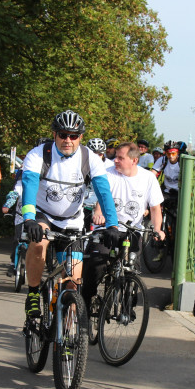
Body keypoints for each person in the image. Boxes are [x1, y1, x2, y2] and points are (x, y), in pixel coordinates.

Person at [19, 110, 122, 318]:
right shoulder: (38, 154)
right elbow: (29, 186)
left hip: (72, 221)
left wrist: (112, 225)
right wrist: (28, 218)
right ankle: (32, 293)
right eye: (63, 134)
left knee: (73, 283)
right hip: (43, 214)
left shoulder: (89, 158)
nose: (68, 140)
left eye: (73, 136)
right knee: (38, 243)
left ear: (80, 137)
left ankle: (68, 336)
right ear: (55, 134)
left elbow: (103, 191)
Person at [82, 141, 166, 312]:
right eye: (116, 157)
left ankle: (128, 304)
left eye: (120, 158)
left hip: (132, 231)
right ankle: (85, 302)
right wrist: (98, 214)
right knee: (96, 264)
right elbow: (102, 199)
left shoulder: (148, 178)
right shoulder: (108, 174)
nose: (115, 161)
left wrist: (157, 229)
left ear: (134, 160)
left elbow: (156, 208)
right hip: (108, 228)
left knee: (133, 267)